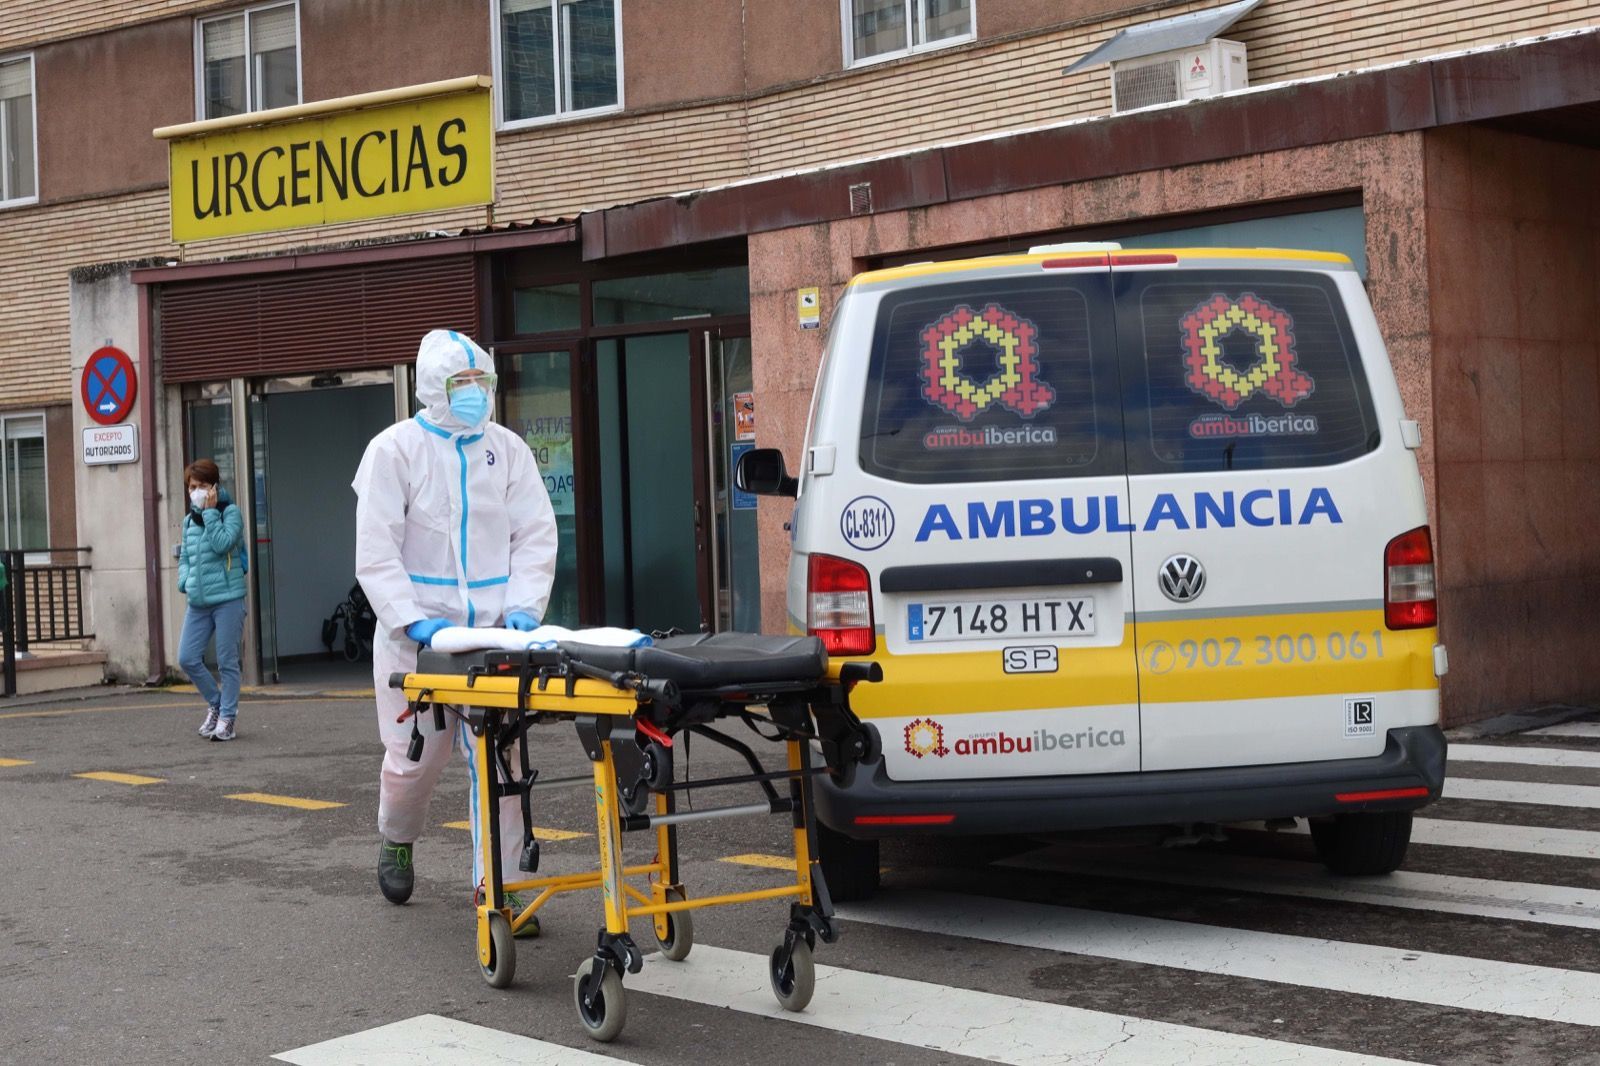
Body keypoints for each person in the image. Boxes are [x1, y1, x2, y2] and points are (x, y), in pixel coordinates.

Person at [353, 329, 558, 920]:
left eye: (481, 382)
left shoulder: (508, 450)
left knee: (504, 759)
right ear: (431, 388)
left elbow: (535, 535)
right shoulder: (393, 452)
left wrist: (523, 608)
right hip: (416, 642)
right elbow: (376, 550)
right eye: (460, 383)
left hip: (493, 636)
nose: (474, 393)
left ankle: (505, 885)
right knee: (414, 758)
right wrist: (411, 620)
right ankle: (397, 838)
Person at [176, 458, 249, 742]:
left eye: (202, 486)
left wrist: (209, 513)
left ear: (214, 487)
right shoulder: (187, 521)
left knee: (226, 661)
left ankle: (228, 717)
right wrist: (185, 580)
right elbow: (184, 557)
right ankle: (217, 704)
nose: (196, 491)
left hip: (228, 599)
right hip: (198, 601)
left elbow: (221, 544)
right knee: (187, 657)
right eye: (192, 487)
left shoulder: (230, 513)